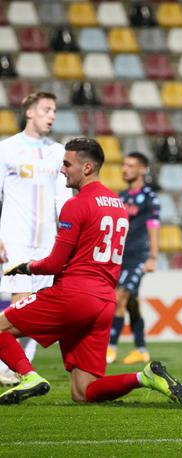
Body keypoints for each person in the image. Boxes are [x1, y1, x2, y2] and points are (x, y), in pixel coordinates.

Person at [0, 138, 182, 405]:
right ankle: (144, 378)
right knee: (83, 392)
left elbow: (54, 264)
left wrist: (28, 267)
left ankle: (28, 376)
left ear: (87, 167)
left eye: (67, 164)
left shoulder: (76, 205)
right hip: (103, 303)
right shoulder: (117, 204)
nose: (62, 170)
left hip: (73, 295)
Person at [0, 92, 74, 386]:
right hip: (15, 238)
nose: (51, 115)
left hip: (48, 242)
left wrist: (67, 239)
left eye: (54, 110)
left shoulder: (58, 152)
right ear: (29, 112)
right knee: (22, 306)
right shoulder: (7, 149)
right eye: (46, 109)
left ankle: (21, 368)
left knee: (39, 310)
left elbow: (64, 198)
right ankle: (14, 368)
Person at [107, 152, 160, 365]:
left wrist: (153, 257)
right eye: (123, 165)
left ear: (141, 169)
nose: (124, 169)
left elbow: (153, 228)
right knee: (131, 303)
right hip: (120, 257)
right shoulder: (120, 197)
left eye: (130, 165)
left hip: (139, 257)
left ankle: (110, 348)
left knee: (119, 298)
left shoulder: (149, 197)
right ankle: (141, 349)